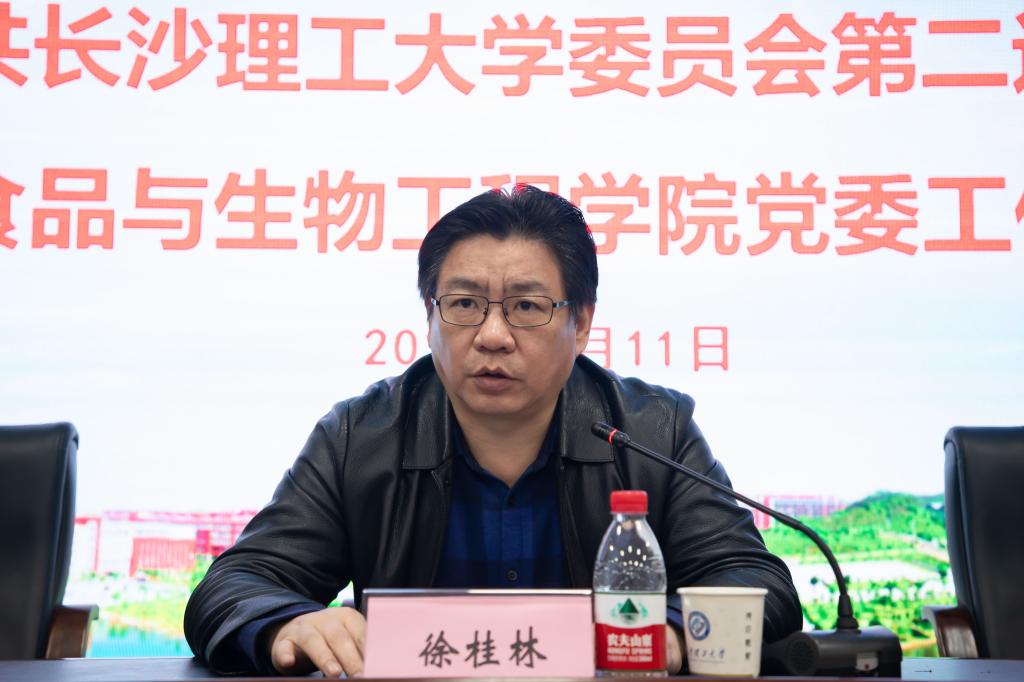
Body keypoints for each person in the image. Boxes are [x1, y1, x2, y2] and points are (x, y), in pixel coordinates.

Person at [184, 185, 802, 676]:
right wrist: (286, 625)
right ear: (430, 317)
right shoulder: (360, 436)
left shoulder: (652, 431)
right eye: (463, 304)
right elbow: (235, 586)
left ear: (582, 324)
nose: (493, 335)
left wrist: (669, 631)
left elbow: (756, 583)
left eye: (527, 307)